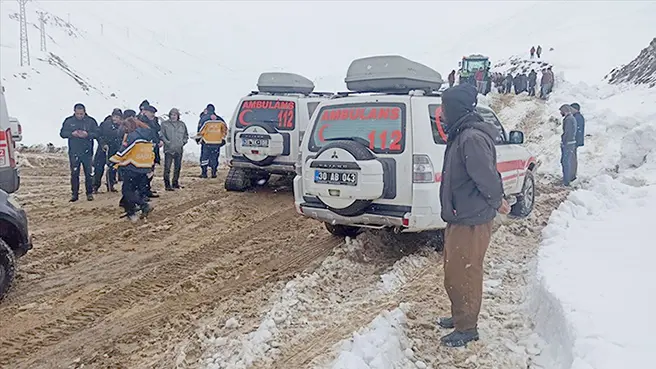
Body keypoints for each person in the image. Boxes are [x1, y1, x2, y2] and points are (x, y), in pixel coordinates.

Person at [437, 84, 509, 348]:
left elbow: (487, 177)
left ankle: (467, 327)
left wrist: (497, 200)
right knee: (453, 270)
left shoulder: (471, 138)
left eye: (444, 108)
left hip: (472, 217)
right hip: (460, 215)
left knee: (465, 271)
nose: (442, 113)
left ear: (455, 108)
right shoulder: (461, 134)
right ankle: (460, 316)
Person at [110, 117, 154, 222]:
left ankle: (143, 205)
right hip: (144, 166)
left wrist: (112, 160)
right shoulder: (147, 136)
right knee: (136, 190)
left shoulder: (133, 136)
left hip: (133, 167)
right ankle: (131, 210)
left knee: (127, 191)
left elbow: (124, 152)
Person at [59, 103, 99, 202]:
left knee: (88, 174)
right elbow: (62, 133)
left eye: (81, 114)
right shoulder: (69, 121)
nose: (80, 116)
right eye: (78, 114)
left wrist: (88, 134)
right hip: (74, 151)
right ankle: (74, 194)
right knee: (74, 173)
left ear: (85, 112)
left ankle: (89, 193)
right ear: (74, 112)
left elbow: (97, 133)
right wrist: (72, 134)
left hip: (87, 151)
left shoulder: (91, 121)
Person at [92, 108, 123, 193]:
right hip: (103, 149)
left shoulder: (121, 127)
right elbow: (98, 135)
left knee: (112, 168)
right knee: (99, 168)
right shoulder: (105, 124)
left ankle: (110, 185)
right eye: (115, 116)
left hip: (114, 149)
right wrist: (103, 144)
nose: (116, 119)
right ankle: (95, 186)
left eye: (118, 117)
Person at [160, 108, 189, 190]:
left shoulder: (182, 124)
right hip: (169, 149)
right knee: (167, 168)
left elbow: (186, 135)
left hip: (179, 149)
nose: (173, 117)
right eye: (172, 115)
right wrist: (167, 142)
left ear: (178, 116)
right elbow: (161, 135)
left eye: (175, 115)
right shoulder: (165, 124)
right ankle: (167, 185)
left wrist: (183, 142)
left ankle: (175, 182)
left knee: (177, 167)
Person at [196, 104, 227, 178]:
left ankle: (204, 173)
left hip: (206, 142)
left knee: (204, 158)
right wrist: (222, 138)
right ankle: (214, 172)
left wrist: (198, 139)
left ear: (207, 109)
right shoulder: (220, 119)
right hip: (217, 143)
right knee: (214, 157)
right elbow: (225, 129)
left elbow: (200, 131)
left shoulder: (204, 119)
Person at [138, 104, 161, 198]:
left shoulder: (154, 122)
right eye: (150, 112)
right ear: (145, 112)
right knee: (144, 173)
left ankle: (147, 190)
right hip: (144, 150)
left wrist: (158, 141)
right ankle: (142, 192)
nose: (152, 114)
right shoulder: (141, 122)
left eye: (153, 113)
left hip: (153, 150)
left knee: (150, 171)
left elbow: (156, 133)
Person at [559, 104, 578, 186]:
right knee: (566, 161)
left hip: (568, 143)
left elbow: (568, 132)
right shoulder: (571, 118)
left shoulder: (569, 119)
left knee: (565, 161)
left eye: (561, 111)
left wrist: (564, 141)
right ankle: (567, 178)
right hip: (570, 143)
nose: (560, 113)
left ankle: (566, 181)